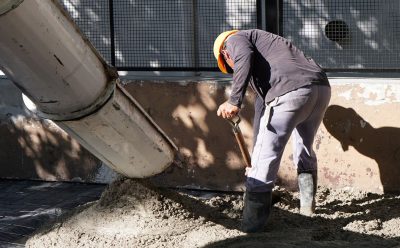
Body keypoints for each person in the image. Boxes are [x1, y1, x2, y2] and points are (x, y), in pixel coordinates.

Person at [213, 29, 331, 233]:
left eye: (230, 68)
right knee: (304, 148)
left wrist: (234, 100)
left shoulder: (233, 40)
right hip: (320, 89)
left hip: (290, 92)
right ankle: (307, 209)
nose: (234, 71)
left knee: (265, 163)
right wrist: (256, 153)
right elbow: (262, 108)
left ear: (226, 55)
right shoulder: (269, 55)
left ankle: (252, 227)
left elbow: (243, 57)